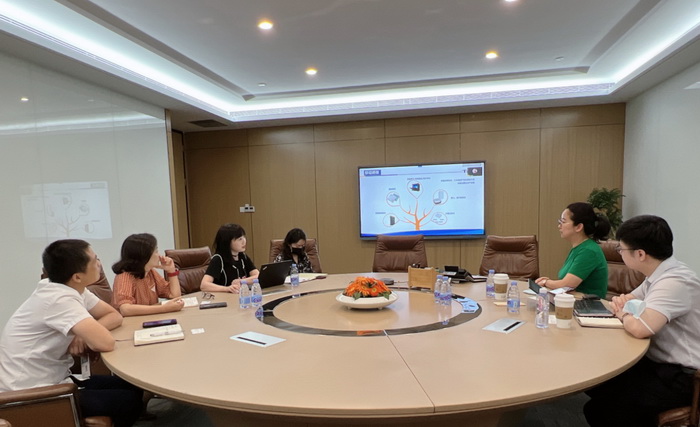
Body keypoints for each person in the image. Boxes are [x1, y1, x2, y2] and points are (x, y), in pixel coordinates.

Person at [0, 239, 143, 427]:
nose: (99, 264)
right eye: (95, 260)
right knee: (128, 400)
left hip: (56, 378)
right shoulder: (58, 299)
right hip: (31, 393)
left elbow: (114, 315)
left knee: (133, 385)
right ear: (77, 276)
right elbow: (106, 343)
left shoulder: (70, 288)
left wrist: (80, 333)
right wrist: (86, 332)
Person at [584, 215, 700, 426]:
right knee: (597, 382)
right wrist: (624, 307)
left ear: (640, 254)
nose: (619, 252)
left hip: (682, 377)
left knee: (600, 410)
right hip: (657, 364)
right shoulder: (657, 275)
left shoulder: (675, 282)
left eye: (621, 249)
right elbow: (626, 299)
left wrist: (623, 314)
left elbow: (640, 328)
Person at [535, 202, 610, 298]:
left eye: (563, 222)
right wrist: (551, 282)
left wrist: (546, 282)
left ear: (579, 227)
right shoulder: (579, 247)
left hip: (588, 304)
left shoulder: (588, 251)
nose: (559, 226)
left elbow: (567, 285)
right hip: (573, 300)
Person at [112, 233, 184, 316]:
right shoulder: (124, 276)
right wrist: (163, 308)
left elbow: (174, 295)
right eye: (156, 251)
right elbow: (125, 309)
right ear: (144, 256)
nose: (159, 255)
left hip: (148, 319)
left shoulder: (151, 272)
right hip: (131, 322)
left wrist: (171, 271)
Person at [201, 223, 260, 292]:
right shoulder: (218, 259)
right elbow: (204, 285)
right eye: (240, 239)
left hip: (239, 295)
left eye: (244, 237)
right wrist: (227, 289)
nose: (244, 241)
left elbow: (258, 275)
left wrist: (242, 281)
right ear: (228, 242)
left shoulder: (243, 256)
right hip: (223, 296)